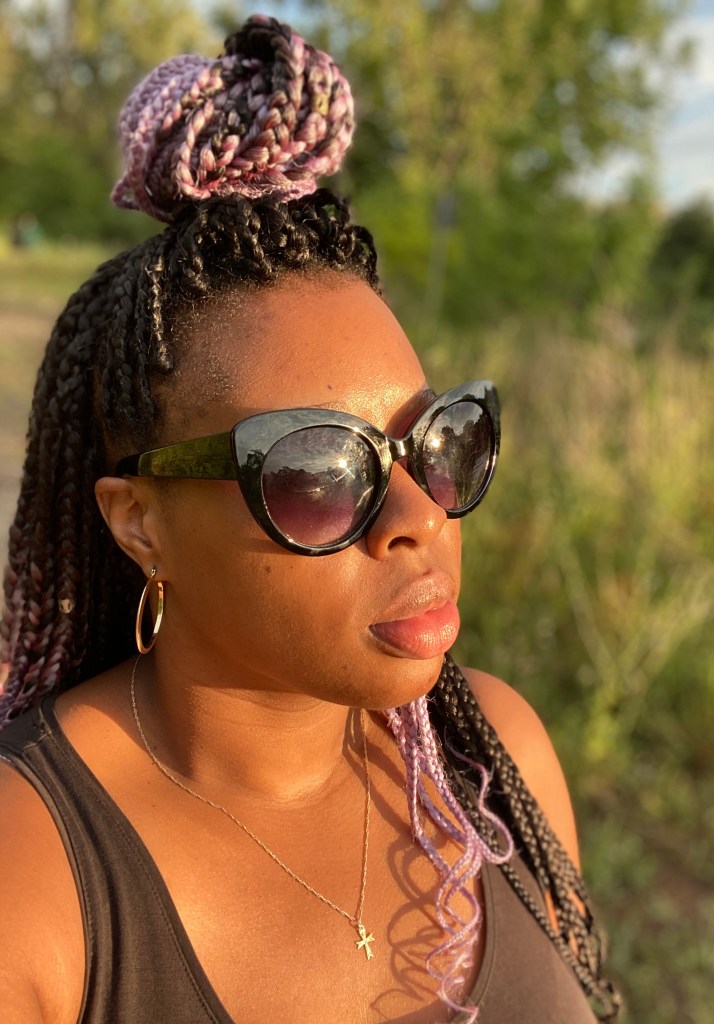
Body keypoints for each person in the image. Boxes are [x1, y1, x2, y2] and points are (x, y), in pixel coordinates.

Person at [0, 14, 620, 1024]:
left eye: (441, 442)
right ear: (139, 521)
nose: (419, 516)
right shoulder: (33, 882)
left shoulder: (496, 758)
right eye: (322, 469)